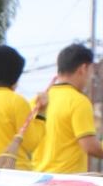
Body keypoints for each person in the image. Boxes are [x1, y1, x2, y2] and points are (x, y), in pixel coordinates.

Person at [35, 44, 103, 174]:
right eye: (91, 72)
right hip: (66, 181)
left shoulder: (39, 100)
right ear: (83, 69)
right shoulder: (78, 101)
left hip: (39, 178)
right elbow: (90, 146)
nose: (90, 78)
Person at [0, 45, 46, 171]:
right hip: (16, 174)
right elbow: (31, 143)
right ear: (16, 74)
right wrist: (41, 114)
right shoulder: (17, 102)